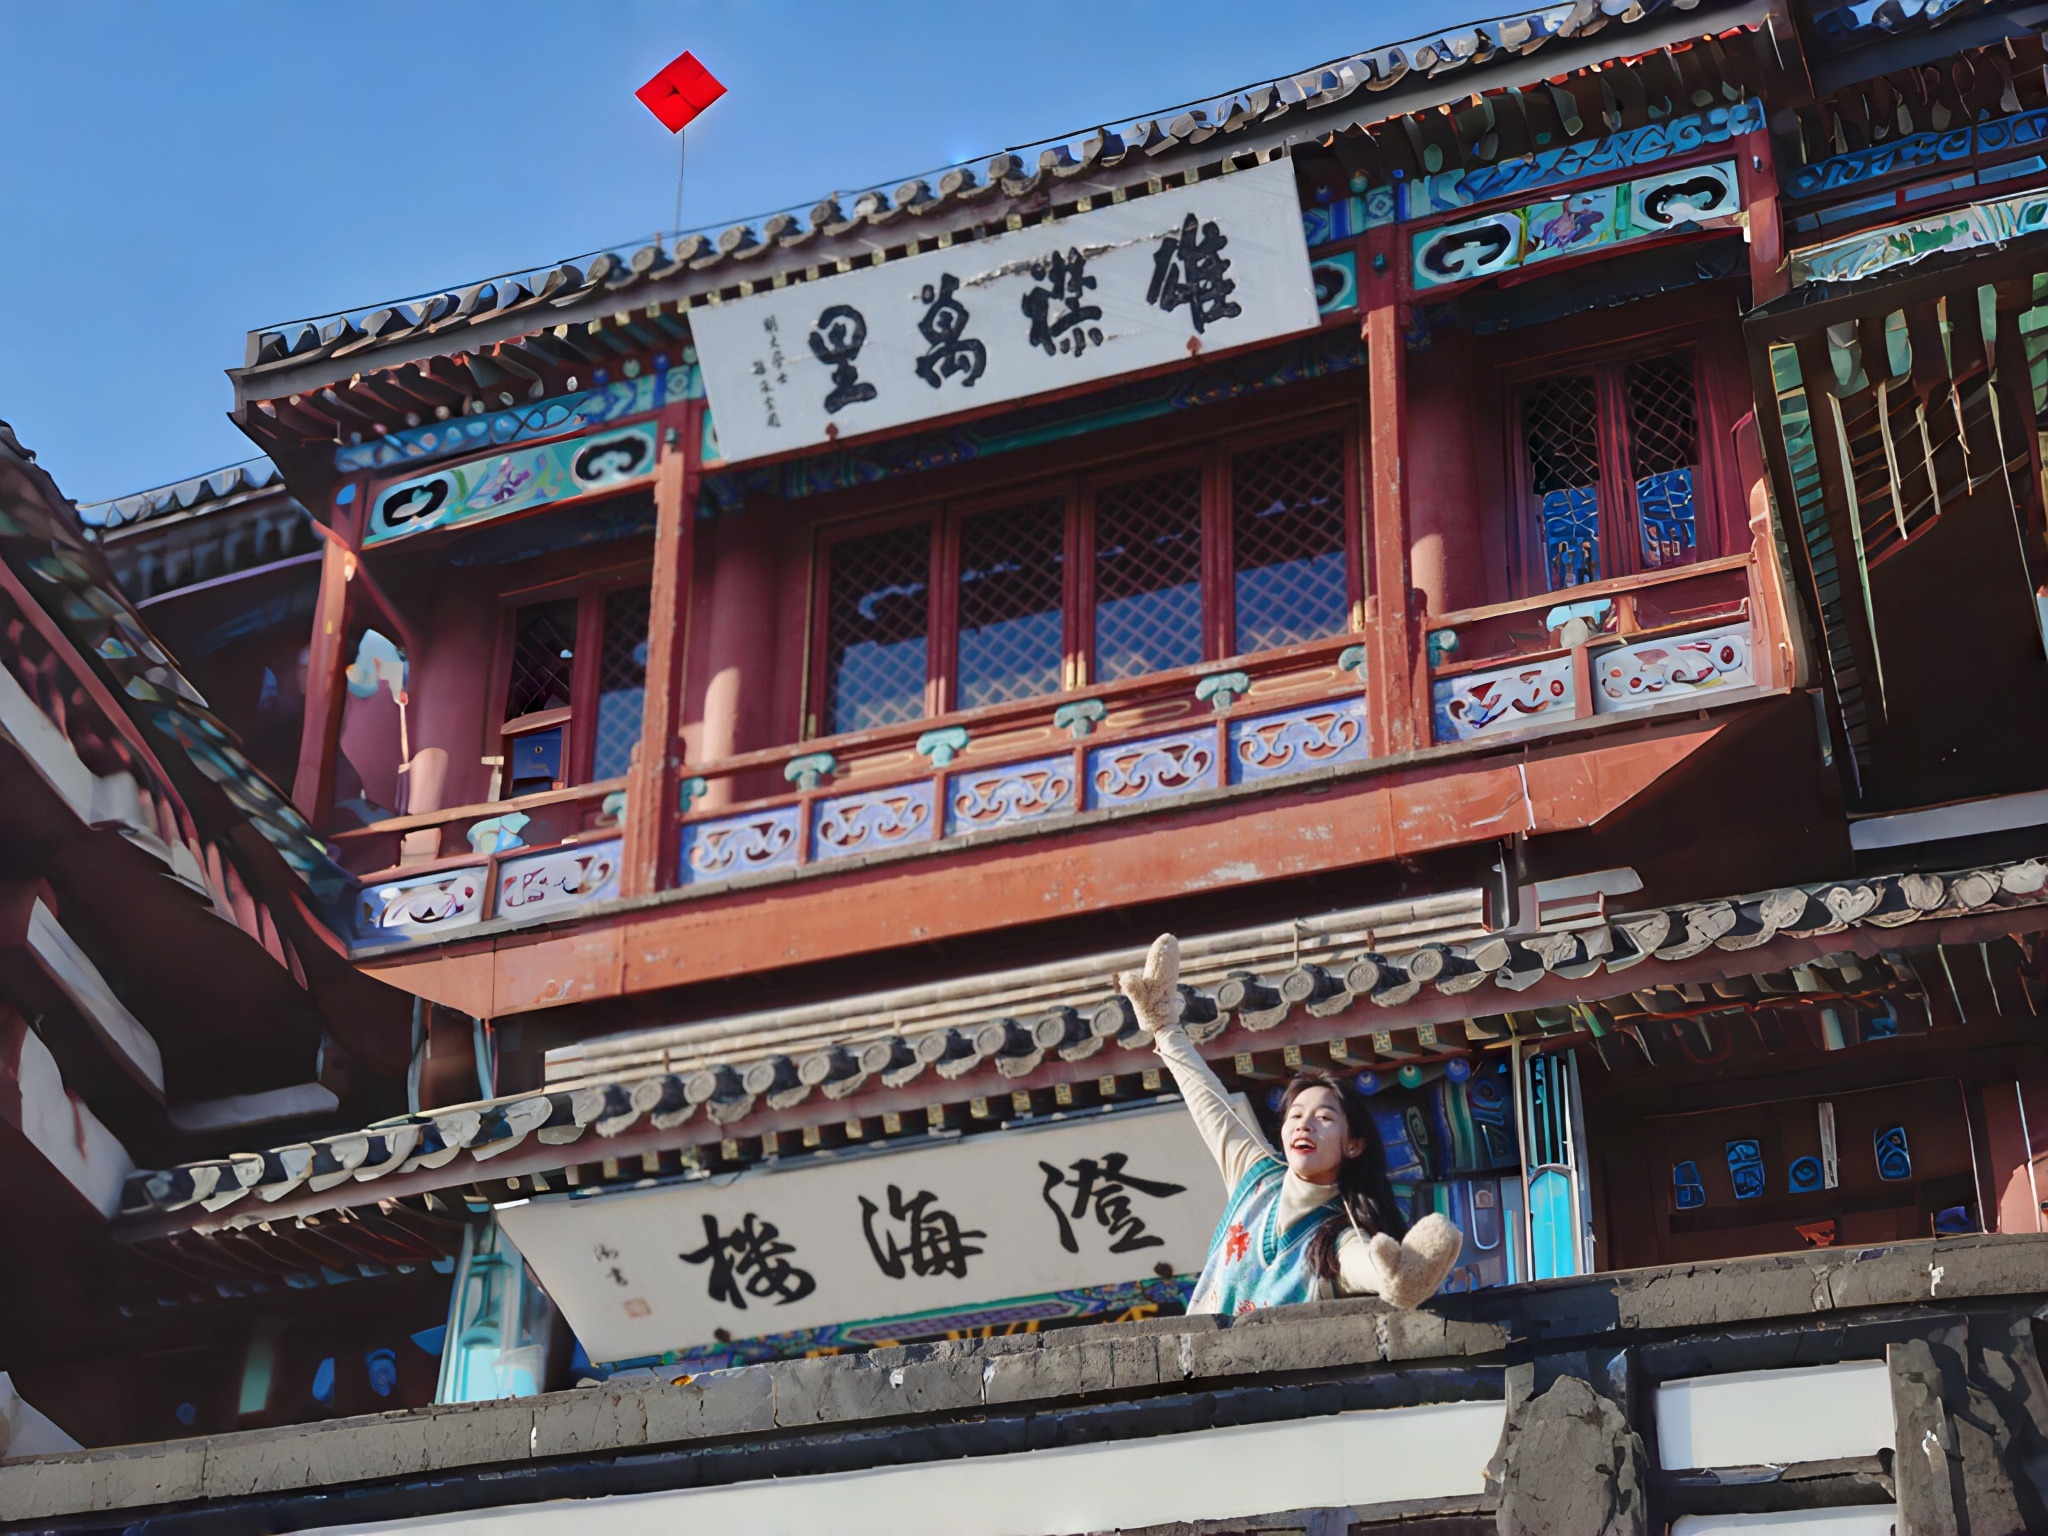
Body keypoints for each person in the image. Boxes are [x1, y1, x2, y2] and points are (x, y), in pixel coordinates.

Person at [1115, 933, 1463, 1312]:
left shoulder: (1336, 1239)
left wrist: (1396, 1277)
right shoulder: (1256, 1178)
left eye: (1324, 1117)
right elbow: (1208, 1100)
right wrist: (1165, 1027)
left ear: (1354, 1144)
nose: (1304, 1125)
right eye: (1295, 1115)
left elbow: (1364, 1265)